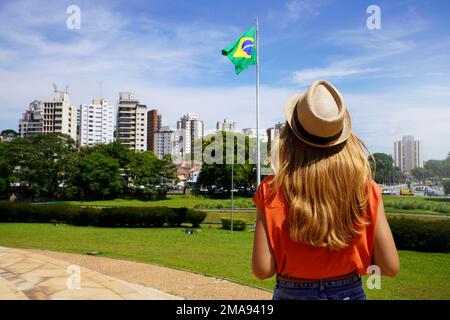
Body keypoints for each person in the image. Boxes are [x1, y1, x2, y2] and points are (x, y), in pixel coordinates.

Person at [252, 80, 399, 300]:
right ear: (343, 138)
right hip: (349, 290)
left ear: (291, 137)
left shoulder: (270, 190)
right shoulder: (367, 189)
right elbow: (389, 267)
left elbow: (262, 269)